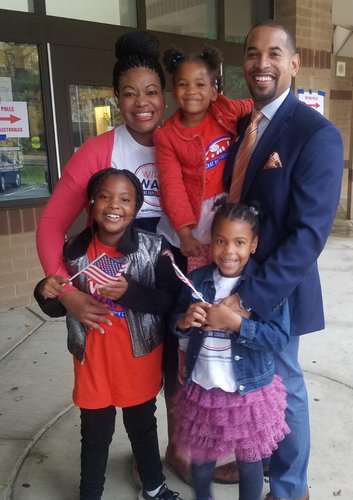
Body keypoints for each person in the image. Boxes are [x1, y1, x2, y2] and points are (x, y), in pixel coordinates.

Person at [222, 21, 344, 500]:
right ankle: (260, 458)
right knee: (251, 379)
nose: (261, 63)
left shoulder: (317, 135)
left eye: (274, 54)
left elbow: (309, 235)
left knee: (283, 383)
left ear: (294, 64)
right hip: (235, 274)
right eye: (253, 54)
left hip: (276, 291)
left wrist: (249, 298)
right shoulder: (243, 126)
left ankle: (291, 488)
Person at [33, 168, 182, 500]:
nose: (114, 205)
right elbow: (60, 307)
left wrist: (129, 293)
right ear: (92, 202)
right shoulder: (73, 253)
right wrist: (44, 291)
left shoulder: (154, 248)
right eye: (105, 196)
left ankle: (154, 487)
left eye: (125, 199)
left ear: (136, 206)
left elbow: (169, 301)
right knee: (95, 434)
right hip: (93, 362)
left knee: (143, 427)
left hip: (137, 360)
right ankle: (91, 494)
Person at [36, 30, 167, 331]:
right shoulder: (96, 152)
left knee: (172, 375)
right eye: (129, 93)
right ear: (117, 97)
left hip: (166, 289)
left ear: (164, 95)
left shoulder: (182, 144)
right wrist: (67, 293)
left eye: (151, 91)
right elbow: (52, 224)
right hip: (109, 294)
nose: (141, 103)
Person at [171, 200, 290, 500]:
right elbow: (177, 323)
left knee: (249, 462)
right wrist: (185, 321)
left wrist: (236, 323)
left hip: (248, 392)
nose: (229, 251)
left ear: (254, 244)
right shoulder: (197, 280)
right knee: (201, 460)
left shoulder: (264, 286)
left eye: (239, 242)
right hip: (204, 386)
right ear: (212, 243)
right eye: (221, 241)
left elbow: (277, 338)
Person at [154, 45, 252, 273]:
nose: (191, 91)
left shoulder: (224, 109)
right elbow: (172, 187)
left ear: (213, 91)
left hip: (231, 207)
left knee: (233, 266)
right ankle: (202, 306)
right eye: (183, 84)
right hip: (196, 215)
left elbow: (254, 107)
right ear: (173, 91)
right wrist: (185, 233)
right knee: (201, 273)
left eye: (200, 84)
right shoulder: (167, 136)